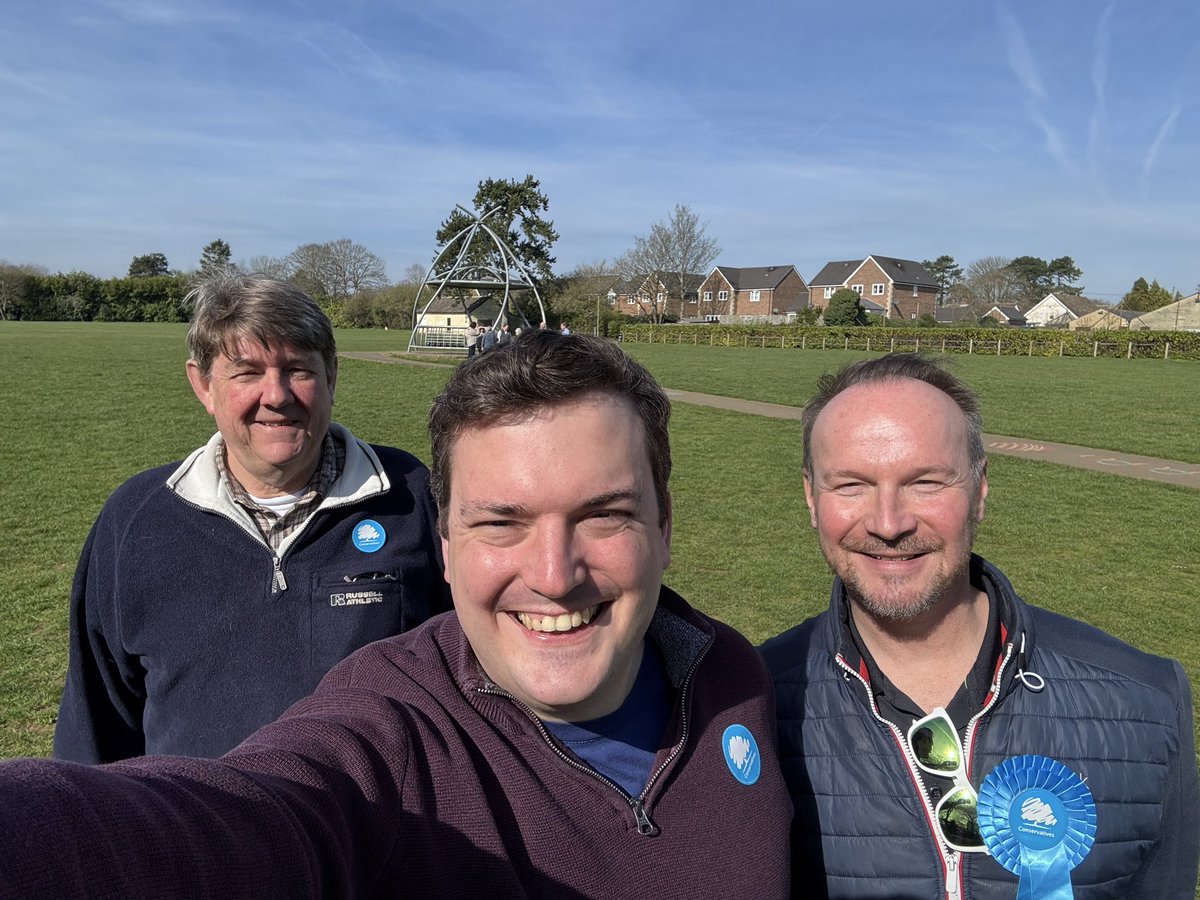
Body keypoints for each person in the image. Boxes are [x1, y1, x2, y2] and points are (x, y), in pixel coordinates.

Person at [0, 332, 791, 898]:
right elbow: (254, 817)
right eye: (501, 523)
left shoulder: (732, 674)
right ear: (444, 546)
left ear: (665, 527)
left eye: (604, 515)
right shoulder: (393, 729)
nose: (554, 576)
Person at [760, 353, 1198, 899]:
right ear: (811, 497)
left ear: (980, 488)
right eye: (851, 485)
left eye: (926, 482)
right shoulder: (747, 705)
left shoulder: (1146, 700)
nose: (888, 523)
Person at [53, 273, 451, 763]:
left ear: (331, 376)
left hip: (374, 812)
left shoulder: (412, 496)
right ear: (203, 385)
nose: (277, 395)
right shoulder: (135, 519)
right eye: (246, 373)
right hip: (197, 812)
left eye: (298, 369)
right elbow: (95, 723)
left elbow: (471, 671)